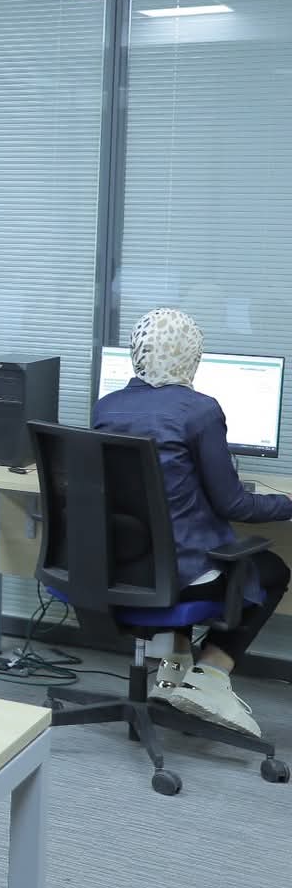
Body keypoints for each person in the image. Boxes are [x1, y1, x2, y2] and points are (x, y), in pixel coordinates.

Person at [94, 308, 292, 739]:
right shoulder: (199, 411)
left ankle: (174, 665)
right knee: (272, 569)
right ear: (192, 356)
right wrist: (288, 505)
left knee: (178, 540)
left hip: (121, 569)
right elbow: (234, 503)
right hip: (178, 577)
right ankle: (211, 676)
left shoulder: (106, 407)